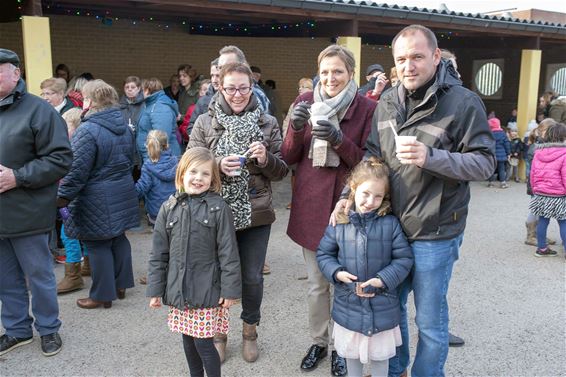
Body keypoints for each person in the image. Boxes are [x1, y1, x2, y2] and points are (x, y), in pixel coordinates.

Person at [331, 25, 495, 376]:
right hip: (391, 227)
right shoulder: (388, 100)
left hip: (436, 231)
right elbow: (373, 154)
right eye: (402, 59)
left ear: (436, 57)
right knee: (391, 309)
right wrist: (348, 194)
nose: (409, 66)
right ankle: (397, 370)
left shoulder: (463, 102)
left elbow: (485, 163)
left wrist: (430, 156)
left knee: (430, 320)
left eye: (417, 57)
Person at [281, 44, 377, 376]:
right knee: (316, 284)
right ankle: (319, 342)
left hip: (347, 207)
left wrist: (338, 140)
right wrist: (294, 127)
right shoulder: (305, 102)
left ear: (351, 73)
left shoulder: (366, 108)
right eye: (325, 71)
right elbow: (288, 156)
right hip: (310, 205)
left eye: (338, 71)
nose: (331, 78)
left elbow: (369, 163)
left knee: (345, 283)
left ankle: (342, 347)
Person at [188, 62, 288, 363]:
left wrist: (265, 158)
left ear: (252, 87)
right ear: (220, 87)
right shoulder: (205, 122)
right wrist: (216, 165)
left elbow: (282, 170)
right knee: (217, 276)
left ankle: (249, 331)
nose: (237, 94)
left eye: (244, 88)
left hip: (256, 212)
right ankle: (219, 334)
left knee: (252, 278)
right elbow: (189, 166)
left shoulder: (268, 122)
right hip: (215, 213)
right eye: (230, 88)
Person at [0, 49, 72, 356]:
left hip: (28, 211)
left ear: (16, 73)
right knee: (5, 278)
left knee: (39, 275)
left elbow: (60, 159)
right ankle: (17, 330)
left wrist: (18, 176)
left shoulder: (38, 110)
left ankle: (48, 329)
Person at [147, 147, 241, 377]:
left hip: (207, 290)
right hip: (179, 289)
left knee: (204, 344)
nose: (198, 178)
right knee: (188, 341)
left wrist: (230, 290)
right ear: (181, 174)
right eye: (193, 172)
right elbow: (158, 254)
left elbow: (229, 253)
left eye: (205, 174)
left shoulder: (219, 208)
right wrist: (155, 290)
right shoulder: (168, 208)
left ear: (213, 179)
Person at [317, 157, 413, 377]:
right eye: (366, 194)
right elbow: (324, 254)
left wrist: (383, 279)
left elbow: (404, 259)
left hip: (382, 306)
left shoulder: (391, 224)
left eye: (378, 196)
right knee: (351, 357)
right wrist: (337, 272)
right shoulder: (339, 223)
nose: (371, 201)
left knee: (381, 358)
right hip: (348, 305)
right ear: (353, 188)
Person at [57, 79, 139, 309]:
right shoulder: (124, 126)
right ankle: (121, 286)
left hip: (96, 195)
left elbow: (76, 172)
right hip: (122, 189)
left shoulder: (87, 130)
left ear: (90, 101)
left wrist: (62, 197)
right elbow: (131, 160)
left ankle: (102, 295)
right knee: (118, 238)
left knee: (97, 244)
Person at [56, 108, 89, 294]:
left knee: (67, 235)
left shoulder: (72, 149)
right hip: (75, 200)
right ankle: (88, 265)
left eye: (65, 126)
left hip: (67, 201)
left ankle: (73, 275)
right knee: (82, 234)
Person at [529, 122, 566, 257]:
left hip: (540, 193)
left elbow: (532, 174)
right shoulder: (564, 153)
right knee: (563, 222)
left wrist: (535, 190)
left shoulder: (539, 152)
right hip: (558, 195)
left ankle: (542, 249)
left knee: (543, 221)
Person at [525, 119, 559, 248]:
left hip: (543, 185)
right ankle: (531, 236)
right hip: (538, 186)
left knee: (542, 211)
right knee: (536, 211)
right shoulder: (537, 147)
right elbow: (532, 171)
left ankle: (539, 235)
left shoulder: (545, 144)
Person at [282, 77, 313, 211]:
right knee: (295, 174)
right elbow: (286, 123)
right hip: (295, 146)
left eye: (304, 87)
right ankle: (295, 200)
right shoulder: (294, 104)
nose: (301, 89)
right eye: (300, 87)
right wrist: (287, 138)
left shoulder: (315, 104)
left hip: (309, 148)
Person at [135, 129, 178, 228]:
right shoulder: (176, 162)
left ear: (148, 146)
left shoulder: (148, 167)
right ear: (167, 144)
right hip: (175, 210)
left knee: (160, 240)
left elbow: (142, 188)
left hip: (156, 213)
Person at [136, 78, 181, 161]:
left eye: (142, 90)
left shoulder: (160, 107)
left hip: (160, 159)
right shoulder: (151, 105)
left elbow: (162, 136)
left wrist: (153, 158)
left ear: (147, 90)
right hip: (153, 157)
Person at [187, 58, 221, 137]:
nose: (214, 80)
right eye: (212, 76)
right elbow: (191, 128)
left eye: (218, 76)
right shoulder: (203, 101)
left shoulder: (237, 98)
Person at [179, 79, 210, 144]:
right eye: (203, 89)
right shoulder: (192, 108)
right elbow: (186, 128)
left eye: (208, 89)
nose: (204, 92)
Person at [487, 117, 511, 189]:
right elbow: (506, 144)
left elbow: (486, 144)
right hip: (501, 155)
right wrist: (508, 153)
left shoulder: (489, 134)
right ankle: (503, 183)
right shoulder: (502, 134)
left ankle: (490, 183)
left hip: (492, 155)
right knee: (501, 169)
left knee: (491, 169)